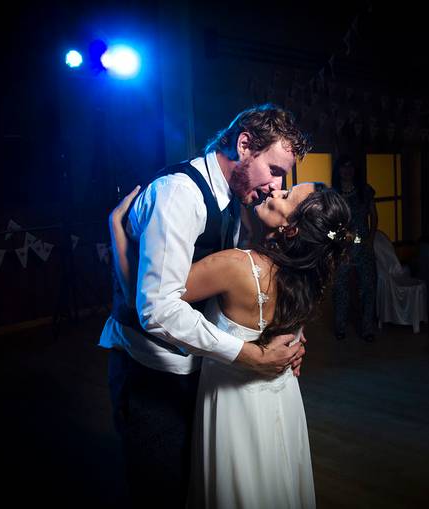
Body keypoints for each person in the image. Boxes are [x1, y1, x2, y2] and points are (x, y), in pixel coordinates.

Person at [98, 104, 311, 508]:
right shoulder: (180, 195)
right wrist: (247, 354)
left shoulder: (235, 199)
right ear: (244, 145)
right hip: (155, 377)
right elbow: (157, 309)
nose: (276, 186)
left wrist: (287, 339)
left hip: (200, 372)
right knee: (161, 491)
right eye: (274, 170)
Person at [111, 182, 352, 508]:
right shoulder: (308, 276)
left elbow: (149, 301)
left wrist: (117, 231)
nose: (275, 191)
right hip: (282, 400)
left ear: (291, 229)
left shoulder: (235, 266)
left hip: (233, 406)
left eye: (286, 196)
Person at [331, 154, 379, 341]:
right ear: (338, 170)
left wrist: (371, 239)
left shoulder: (365, 191)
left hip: (364, 245)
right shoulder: (333, 194)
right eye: (344, 166)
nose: (347, 170)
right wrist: (335, 241)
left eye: (350, 166)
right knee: (340, 287)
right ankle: (340, 327)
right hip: (342, 247)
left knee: (368, 286)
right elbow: (327, 223)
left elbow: (374, 216)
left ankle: (367, 329)